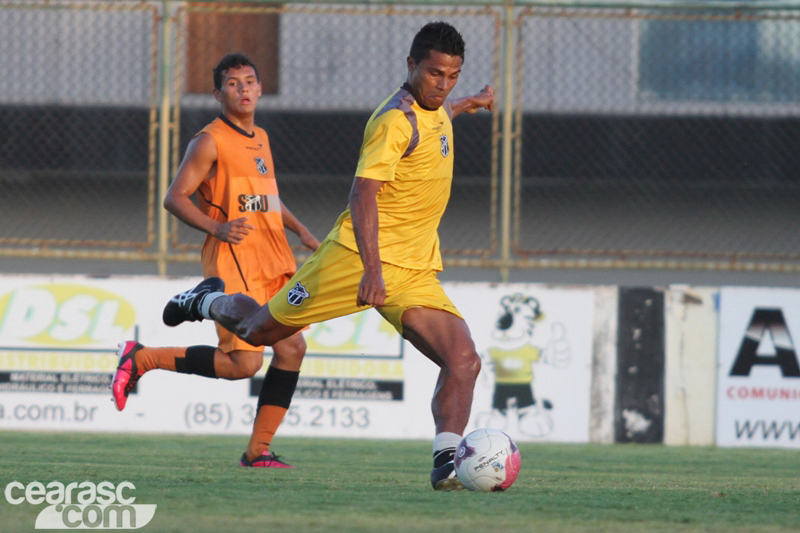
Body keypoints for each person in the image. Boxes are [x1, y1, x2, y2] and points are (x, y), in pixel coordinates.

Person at [161, 22, 494, 490]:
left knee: (463, 358)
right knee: (260, 333)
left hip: (415, 268)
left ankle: (446, 462)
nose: (443, 84)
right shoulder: (392, 121)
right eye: (434, 73)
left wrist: (470, 101)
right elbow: (362, 195)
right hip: (357, 259)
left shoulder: (435, 108)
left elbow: (440, 117)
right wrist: (373, 271)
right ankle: (204, 301)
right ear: (411, 66)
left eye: (452, 76)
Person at [112, 53, 320, 468]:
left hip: (272, 253)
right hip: (234, 256)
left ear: (260, 89)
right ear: (217, 93)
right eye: (233, 83)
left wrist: (300, 231)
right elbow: (174, 197)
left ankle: (257, 452)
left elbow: (266, 198)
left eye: (249, 81)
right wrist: (217, 227)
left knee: (292, 347)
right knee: (245, 363)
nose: (243, 89)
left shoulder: (260, 135)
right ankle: (145, 355)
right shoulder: (208, 141)